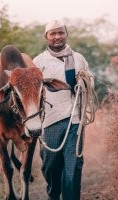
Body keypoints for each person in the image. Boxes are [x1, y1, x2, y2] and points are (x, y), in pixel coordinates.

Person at [33, 20, 94, 200]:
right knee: (50, 165)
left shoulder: (78, 58)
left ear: (66, 34)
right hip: (50, 120)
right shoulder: (38, 62)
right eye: (53, 34)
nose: (57, 37)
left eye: (61, 33)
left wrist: (85, 82)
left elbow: (90, 81)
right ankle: (53, 194)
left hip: (76, 118)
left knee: (73, 165)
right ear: (47, 37)